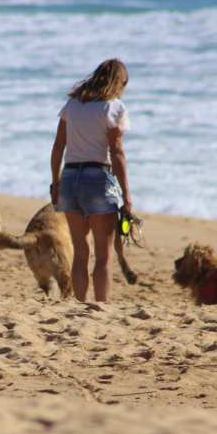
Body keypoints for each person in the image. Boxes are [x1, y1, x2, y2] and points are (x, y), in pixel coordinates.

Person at [50, 58, 133, 303]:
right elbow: (117, 153)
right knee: (104, 255)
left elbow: (58, 148)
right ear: (118, 82)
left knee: (80, 252)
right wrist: (127, 196)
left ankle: (80, 305)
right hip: (98, 179)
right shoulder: (114, 108)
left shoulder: (72, 105)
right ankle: (100, 307)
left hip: (70, 177)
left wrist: (55, 184)